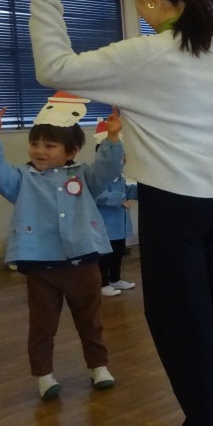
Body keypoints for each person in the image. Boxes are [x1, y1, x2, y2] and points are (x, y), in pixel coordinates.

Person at [29, 0, 213, 426]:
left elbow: (54, 69)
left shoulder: (143, 56)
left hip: (174, 207)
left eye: (137, 0)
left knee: (181, 317)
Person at [0, 100, 123, 400]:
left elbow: (108, 169)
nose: (39, 150)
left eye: (49, 145)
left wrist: (112, 139)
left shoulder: (84, 177)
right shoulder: (22, 179)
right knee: (42, 325)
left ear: (71, 151)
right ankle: (44, 375)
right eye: (35, 144)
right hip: (41, 268)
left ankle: (98, 367)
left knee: (90, 321)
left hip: (83, 263)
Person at [93, 119, 138, 296]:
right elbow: (99, 196)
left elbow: (128, 190)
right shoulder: (98, 176)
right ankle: (102, 283)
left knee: (118, 252)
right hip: (106, 225)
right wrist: (120, 199)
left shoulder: (119, 176)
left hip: (119, 226)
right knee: (105, 255)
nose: (124, 159)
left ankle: (115, 278)